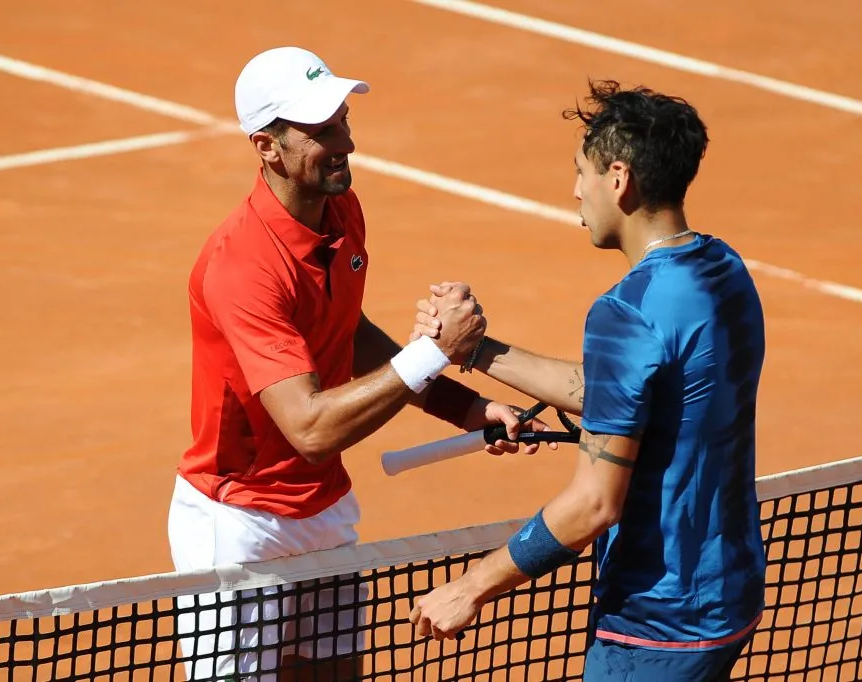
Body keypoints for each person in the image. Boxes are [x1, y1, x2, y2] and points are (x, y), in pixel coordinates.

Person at [167, 46, 551, 682]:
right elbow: (312, 430)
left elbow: (351, 334)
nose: (344, 141)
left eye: (342, 120)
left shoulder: (341, 211)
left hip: (323, 507)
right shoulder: (243, 267)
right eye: (321, 131)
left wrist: (467, 408)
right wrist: (435, 350)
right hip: (240, 521)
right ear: (266, 147)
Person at [407, 81, 767, 681]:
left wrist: (470, 586)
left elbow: (594, 504)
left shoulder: (626, 310)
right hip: (729, 595)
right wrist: (471, 349)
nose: (576, 190)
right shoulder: (723, 268)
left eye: (583, 172)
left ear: (619, 179)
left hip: (656, 624)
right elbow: (632, 389)